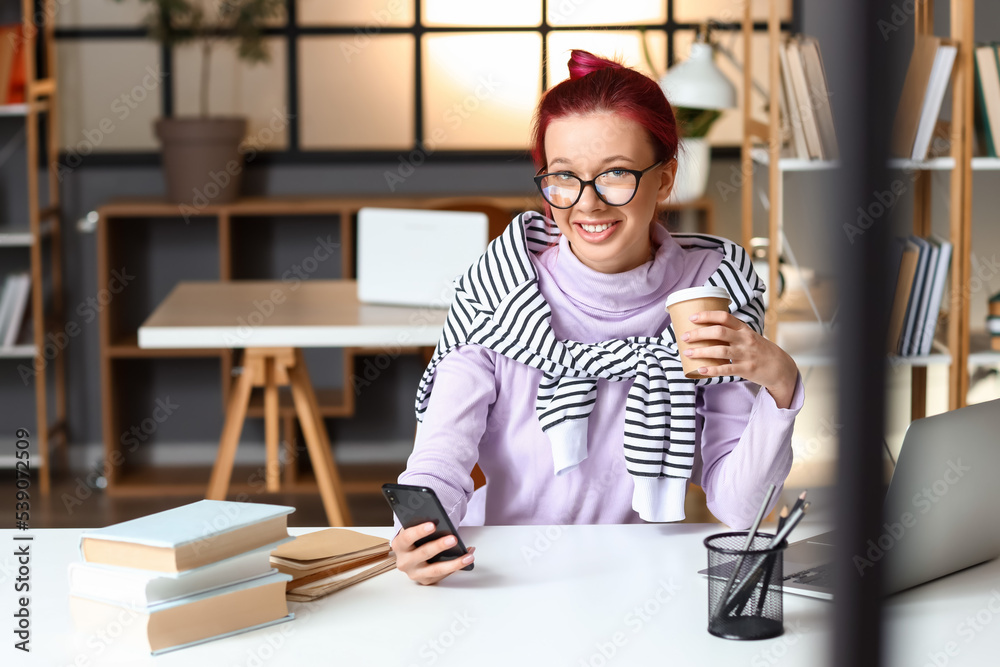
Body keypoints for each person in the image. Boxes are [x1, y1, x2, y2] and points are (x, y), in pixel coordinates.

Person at [391, 49, 803, 585]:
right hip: (511, 578)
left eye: (615, 175)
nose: (586, 203)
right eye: (563, 177)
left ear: (665, 178)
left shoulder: (712, 290)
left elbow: (743, 510)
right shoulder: (501, 289)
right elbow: (441, 455)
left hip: (647, 580)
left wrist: (780, 383)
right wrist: (419, 534)